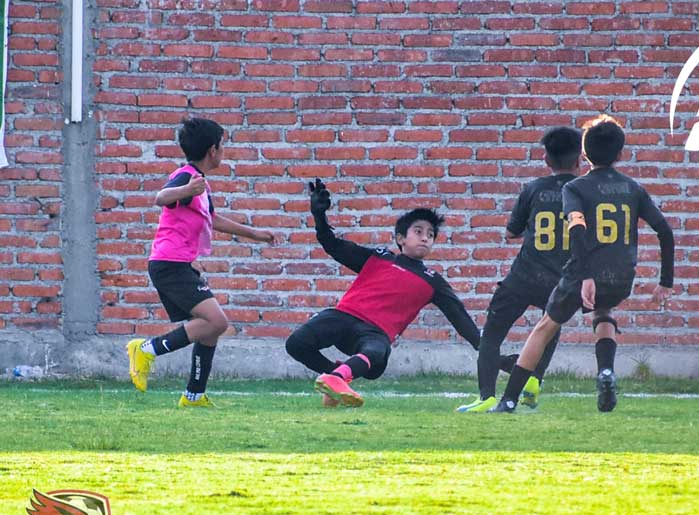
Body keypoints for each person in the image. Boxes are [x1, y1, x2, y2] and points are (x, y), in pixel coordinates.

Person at [488, 114, 675, 413]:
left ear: (584, 155)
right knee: (603, 312)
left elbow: (577, 228)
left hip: (582, 273)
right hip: (621, 275)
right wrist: (666, 281)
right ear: (620, 154)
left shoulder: (575, 188)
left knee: (545, 326)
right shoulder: (633, 189)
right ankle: (605, 371)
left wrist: (586, 275)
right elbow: (664, 231)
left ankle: (508, 400)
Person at [286, 179, 481, 407]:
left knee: (376, 355)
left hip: (375, 334)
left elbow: (460, 319)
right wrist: (319, 215)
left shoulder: (433, 282)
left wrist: (489, 351)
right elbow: (332, 245)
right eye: (418, 231)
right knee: (296, 343)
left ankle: (337, 378)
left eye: (431, 234)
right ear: (400, 238)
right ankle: (337, 377)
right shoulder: (379, 257)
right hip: (344, 316)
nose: (425, 237)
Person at [126, 117, 275, 407]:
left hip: (180, 264)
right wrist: (186, 191)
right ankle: (145, 350)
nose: (224, 151)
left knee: (208, 327)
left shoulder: (200, 184)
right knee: (216, 322)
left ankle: (194, 395)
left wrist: (254, 233)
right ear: (212, 150)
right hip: (169, 265)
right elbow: (161, 197)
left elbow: (213, 219)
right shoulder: (187, 177)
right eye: (223, 146)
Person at [456, 126, 582, 413]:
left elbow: (511, 232)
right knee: (548, 327)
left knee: (492, 334)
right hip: (560, 277)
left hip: (524, 275)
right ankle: (534, 380)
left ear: (546, 160)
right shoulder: (585, 194)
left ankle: (486, 395)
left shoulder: (534, 189)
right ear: (579, 160)